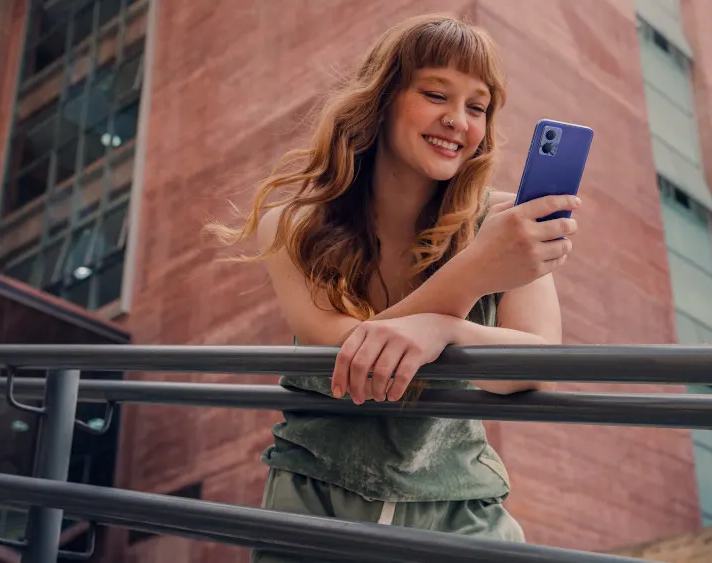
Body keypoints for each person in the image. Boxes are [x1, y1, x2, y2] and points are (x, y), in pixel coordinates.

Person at [208, 13, 579, 562]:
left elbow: (536, 370)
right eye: (436, 94)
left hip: (459, 510)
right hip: (314, 504)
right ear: (382, 99)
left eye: (477, 107)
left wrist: (442, 328)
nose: (457, 120)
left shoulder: (503, 222)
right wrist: (475, 274)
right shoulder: (294, 222)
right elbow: (350, 359)